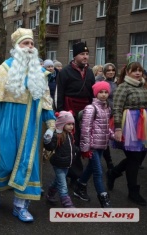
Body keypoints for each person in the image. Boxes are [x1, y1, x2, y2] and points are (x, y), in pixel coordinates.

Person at [0, 28, 55, 222]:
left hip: (32, 122)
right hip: (9, 121)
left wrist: (50, 125)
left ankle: (20, 206)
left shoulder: (40, 72)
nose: (30, 47)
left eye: (32, 44)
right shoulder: (4, 69)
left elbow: (46, 100)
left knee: (28, 164)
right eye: (25, 43)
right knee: (6, 162)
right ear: (16, 47)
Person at [107, 61, 147, 206]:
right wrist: (118, 129)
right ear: (128, 72)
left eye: (140, 71)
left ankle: (113, 173)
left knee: (139, 156)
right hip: (129, 123)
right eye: (134, 71)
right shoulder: (122, 87)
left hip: (143, 123)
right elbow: (116, 108)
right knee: (134, 157)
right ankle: (133, 192)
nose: (138, 73)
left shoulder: (142, 85)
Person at [55, 41, 95, 185]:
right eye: (82, 54)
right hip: (69, 110)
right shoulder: (65, 72)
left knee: (83, 141)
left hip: (85, 112)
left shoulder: (90, 72)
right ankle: (73, 174)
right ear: (75, 56)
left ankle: (75, 172)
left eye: (87, 54)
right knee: (71, 142)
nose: (85, 57)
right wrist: (60, 113)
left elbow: (92, 94)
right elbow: (59, 93)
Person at [74, 81, 113, 208]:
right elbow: (85, 129)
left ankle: (80, 186)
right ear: (96, 93)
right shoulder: (91, 108)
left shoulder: (107, 108)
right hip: (92, 146)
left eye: (106, 92)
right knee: (98, 171)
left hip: (101, 144)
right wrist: (85, 148)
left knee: (91, 167)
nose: (103, 95)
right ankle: (103, 198)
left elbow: (106, 128)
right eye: (100, 92)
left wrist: (115, 136)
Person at [44, 111, 76, 208]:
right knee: (63, 185)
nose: (71, 126)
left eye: (72, 124)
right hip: (58, 163)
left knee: (58, 181)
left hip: (66, 163)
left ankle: (50, 193)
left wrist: (76, 151)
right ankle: (67, 204)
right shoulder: (57, 135)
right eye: (69, 124)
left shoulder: (69, 134)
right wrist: (47, 141)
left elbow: (71, 147)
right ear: (62, 124)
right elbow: (50, 147)